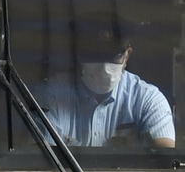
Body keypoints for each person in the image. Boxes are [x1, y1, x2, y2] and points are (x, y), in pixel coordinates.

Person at [38, 18, 174, 150]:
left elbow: (165, 163)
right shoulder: (51, 94)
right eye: (94, 56)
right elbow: (41, 163)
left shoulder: (148, 99)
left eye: (112, 57)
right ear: (78, 55)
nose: (103, 67)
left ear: (127, 56)